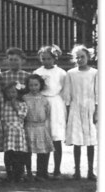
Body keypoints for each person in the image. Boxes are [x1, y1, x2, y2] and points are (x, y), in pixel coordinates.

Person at [33, 44, 68, 177]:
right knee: (43, 137)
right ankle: (42, 170)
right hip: (41, 103)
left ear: (55, 58)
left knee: (56, 138)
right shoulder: (38, 72)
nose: (46, 61)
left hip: (56, 104)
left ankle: (57, 170)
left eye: (49, 58)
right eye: (43, 58)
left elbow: (65, 91)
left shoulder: (61, 73)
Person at [64, 44, 97, 180]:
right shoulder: (71, 73)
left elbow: (98, 93)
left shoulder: (95, 73)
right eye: (77, 57)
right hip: (75, 108)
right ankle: (77, 170)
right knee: (77, 141)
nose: (80, 60)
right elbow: (67, 93)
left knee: (90, 141)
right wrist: (68, 111)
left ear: (88, 57)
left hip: (90, 108)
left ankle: (90, 171)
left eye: (82, 57)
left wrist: (97, 112)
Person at [23, 74, 54, 181]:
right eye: (31, 85)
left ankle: (41, 173)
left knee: (43, 152)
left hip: (41, 128)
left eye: (36, 85)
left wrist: (46, 128)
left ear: (40, 85)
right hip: (28, 127)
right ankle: (28, 173)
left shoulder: (44, 99)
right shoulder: (24, 98)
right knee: (27, 152)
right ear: (27, 86)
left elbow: (47, 114)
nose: (33, 87)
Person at [1, 81, 29, 182]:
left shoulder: (22, 104)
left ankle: (19, 174)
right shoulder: (4, 104)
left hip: (18, 132)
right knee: (9, 153)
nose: (11, 94)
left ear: (18, 93)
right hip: (8, 132)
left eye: (13, 92)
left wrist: (15, 106)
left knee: (19, 154)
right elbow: (2, 117)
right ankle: (9, 173)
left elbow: (23, 115)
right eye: (9, 92)